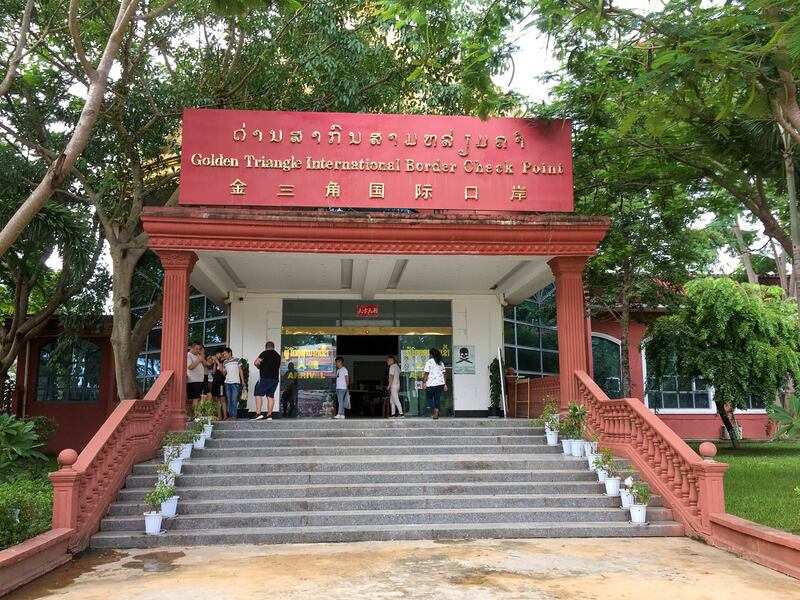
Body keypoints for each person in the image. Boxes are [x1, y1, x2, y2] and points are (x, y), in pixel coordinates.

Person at [253, 341, 281, 421]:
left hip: (265, 377)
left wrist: (258, 367)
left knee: (258, 394)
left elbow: (256, 362)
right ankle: (269, 415)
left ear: (266, 347)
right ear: (273, 347)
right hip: (275, 379)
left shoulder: (264, 353)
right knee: (270, 396)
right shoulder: (277, 356)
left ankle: (258, 413)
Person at [423, 348, 447, 420]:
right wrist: (445, 384)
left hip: (431, 383)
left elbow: (426, 373)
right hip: (440, 383)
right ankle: (436, 414)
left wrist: (424, 382)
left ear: (431, 354)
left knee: (429, 398)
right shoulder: (440, 362)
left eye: (429, 354)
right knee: (437, 399)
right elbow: (444, 374)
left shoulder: (429, 362)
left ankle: (435, 410)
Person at [222, 347, 245, 421]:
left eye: (225, 354)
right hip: (227, 383)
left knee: (234, 400)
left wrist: (243, 381)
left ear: (229, 353)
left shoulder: (237, 360)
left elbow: (240, 370)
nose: (224, 355)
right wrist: (222, 370)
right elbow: (224, 373)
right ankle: (231, 415)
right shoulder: (225, 362)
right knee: (229, 400)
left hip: (235, 382)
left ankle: (233, 415)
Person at [186, 342, 205, 412]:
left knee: (201, 397)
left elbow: (205, 363)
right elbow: (190, 367)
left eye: (199, 349)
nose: (198, 350)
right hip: (193, 380)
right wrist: (199, 360)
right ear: (192, 348)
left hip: (200, 380)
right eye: (196, 349)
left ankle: (197, 414)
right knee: (195, 398)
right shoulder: (188, 355)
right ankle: (196, 415)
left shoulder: (197, 356)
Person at [210, 349, 227, 420]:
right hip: (215, 381)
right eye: (216, 354)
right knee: (217, 399)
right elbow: (213, 372)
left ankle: (225, 415)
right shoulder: (216, 362)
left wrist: (217, 361)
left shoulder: (224, 362)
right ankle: (219, 416)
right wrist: (215, 363)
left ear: (221, 354)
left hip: (221, 382)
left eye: (218, 354)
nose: (217, 355)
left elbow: (224, 373)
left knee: (222, 398)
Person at [333, 356, 349, 420]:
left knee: (341, 401)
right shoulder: (338, 370)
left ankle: (339, 413)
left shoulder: (344, 369)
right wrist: (336, 387)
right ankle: (342, 415)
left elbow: (347, 379)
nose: (336, 364)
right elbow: (337, 379)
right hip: (338, 388)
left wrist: (347, 387)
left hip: (342, 388)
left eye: (336, 362)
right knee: (340, 401)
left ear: (340, 362)